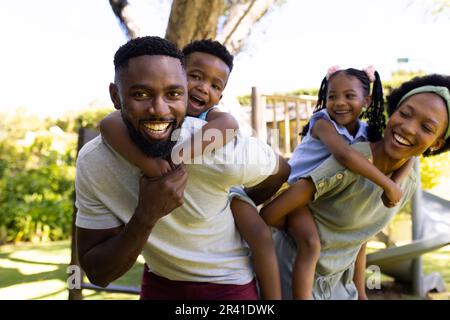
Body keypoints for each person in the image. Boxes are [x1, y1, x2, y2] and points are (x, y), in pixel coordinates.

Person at [75, 36, 289, 300]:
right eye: (141, 94)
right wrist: (151, 185)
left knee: (259, 235)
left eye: (172, 93)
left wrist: (241, 198)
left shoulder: (220, 145)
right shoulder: (97, 158)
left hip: (228, 282)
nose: (158, 108)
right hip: (159, 279)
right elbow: (109, 124)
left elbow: (278, 167)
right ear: (116, 96)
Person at [261, 73, 450, 300]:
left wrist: (360, 292)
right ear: (393, 112)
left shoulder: (407, 180)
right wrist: (303, 231)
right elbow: (270, 213)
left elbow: (360, 236)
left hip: (341, 285)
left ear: (437, 143)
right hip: (294, 277)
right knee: (310, 246)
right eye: (404, 114)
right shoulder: (351, 157)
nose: (409, 128)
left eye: (427, 127)